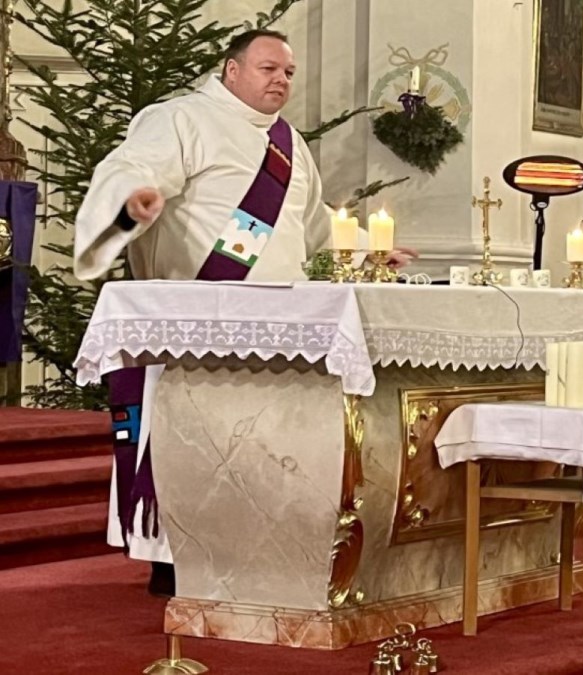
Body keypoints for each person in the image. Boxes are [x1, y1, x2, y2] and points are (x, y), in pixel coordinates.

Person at [73, 29, 415, 595]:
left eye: (287, 72)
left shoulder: (289, 143)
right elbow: (131, 171)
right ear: (231, 71)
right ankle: (175, 555)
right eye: (267, 68)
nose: (280, 80)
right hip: (201, 317)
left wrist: (362, 251)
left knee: (265, 447)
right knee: (193, 443)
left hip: (284, 325)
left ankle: (265, 553)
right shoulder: (180, 119)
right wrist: (126, 208)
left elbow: (309, 231)